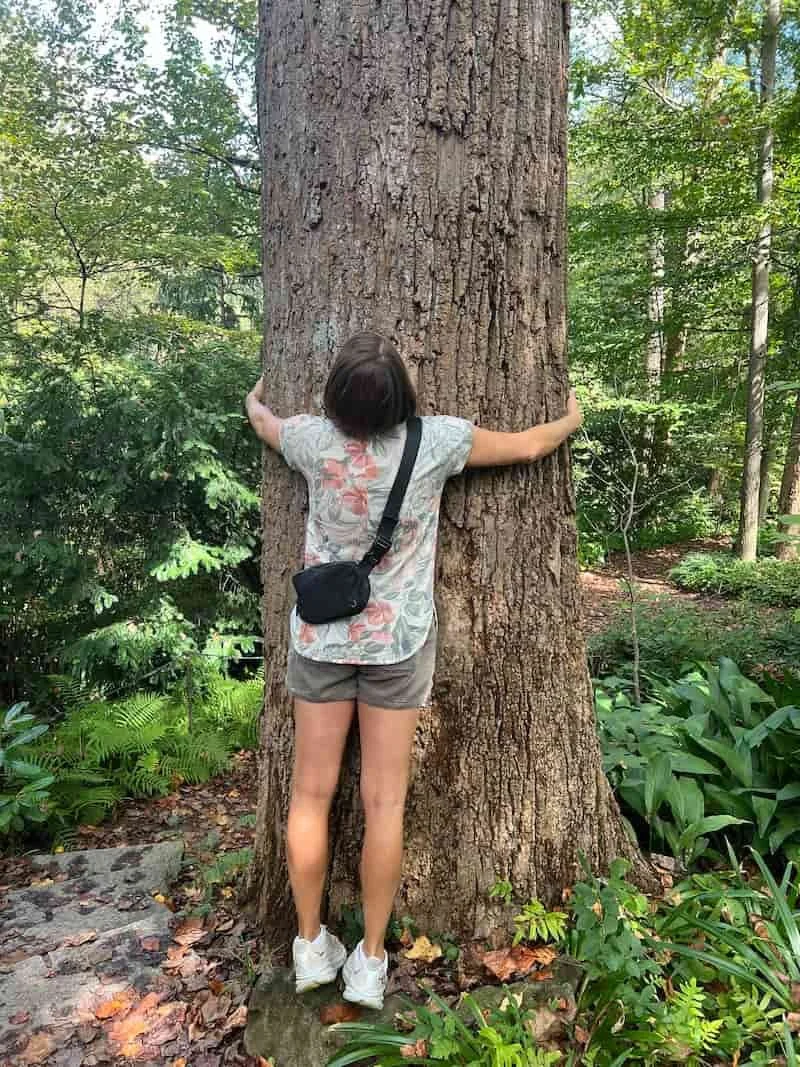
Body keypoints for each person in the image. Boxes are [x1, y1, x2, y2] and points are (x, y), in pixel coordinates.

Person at [245, 331, 583, 1010]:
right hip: (397, 646)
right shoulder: (437, 442)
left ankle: (309, 944)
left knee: (308, 796)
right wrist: (571, 418)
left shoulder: (310, 440)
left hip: (321, 641)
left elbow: (264, 423)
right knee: (385, 804)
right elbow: (528, 446)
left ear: (335, 396)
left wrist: (253, 399)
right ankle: (370, 960)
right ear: (402, 394)